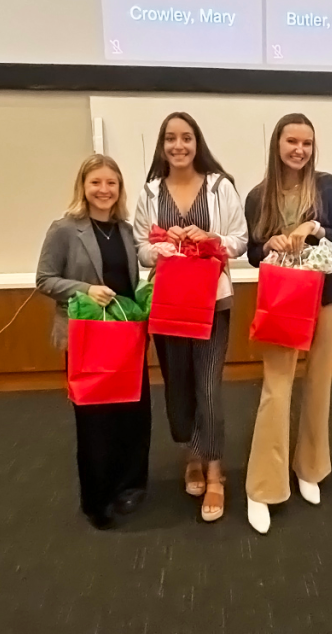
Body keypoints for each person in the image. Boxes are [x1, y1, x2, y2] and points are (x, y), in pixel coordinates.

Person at [133, 112, 247, 523]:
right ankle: (193, 454)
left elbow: (240, 239)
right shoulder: (149, 192)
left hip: (212, 303)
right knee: (178, 385)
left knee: (209, 386)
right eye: (170, 139)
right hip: (168, 301)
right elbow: (140, 246)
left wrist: (212, 240)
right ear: (162, 146)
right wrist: (159, 249)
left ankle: (216, 474)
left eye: (186, 138)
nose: (178, 146)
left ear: (197, 142)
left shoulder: (220, 187)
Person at [242, 113, 332, 534]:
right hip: (284, 302)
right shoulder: (258, 195)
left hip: (328, 300)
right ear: (278, 144)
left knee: (320, 384)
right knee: (277, 388)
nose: (299, 150)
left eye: (307, 143)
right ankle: (262, 487)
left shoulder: (326, 187)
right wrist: (268, 243)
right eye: (292, 141)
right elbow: (253, 253)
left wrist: (315, 230)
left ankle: (309, 466)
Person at [37, 154, 151, 530]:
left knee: (133, 416)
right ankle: (96, 500)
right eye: (96, 183)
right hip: (88, 338)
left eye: (111, 183)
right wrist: (85, 288)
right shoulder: (65, 229)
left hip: (126, 337)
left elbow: (133, 280)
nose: (104, 190)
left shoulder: (126, 230)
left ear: (119, 189)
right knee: (95, 421)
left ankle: (129, 485)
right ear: (83, 187)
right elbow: (44, 279)